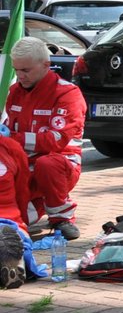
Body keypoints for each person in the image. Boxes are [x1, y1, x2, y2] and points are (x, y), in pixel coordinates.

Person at [5, 36, 85, 240]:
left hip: (59, 164)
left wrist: (13, 138)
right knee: (14, 219)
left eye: (26, 70)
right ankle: (26, 212)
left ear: (46, 65)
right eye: (16, 70)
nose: (20, 76)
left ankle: (61, 217)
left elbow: (55, 141)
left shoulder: (67, 94)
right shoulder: (15, 91)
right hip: (24, 166)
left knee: (47, 164)